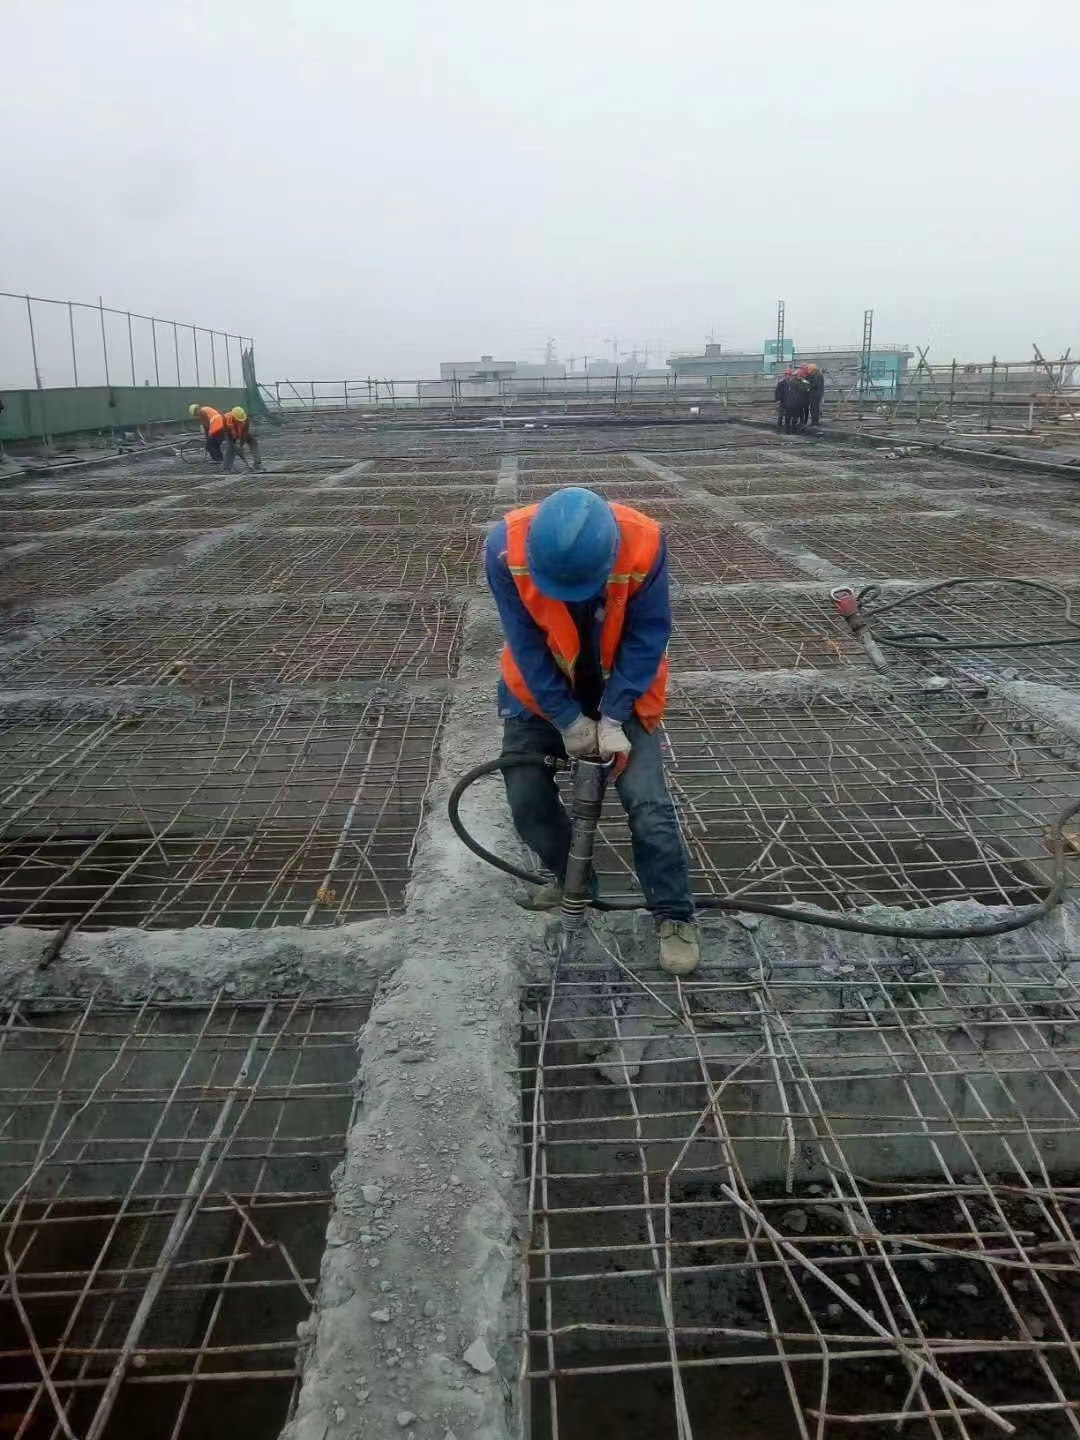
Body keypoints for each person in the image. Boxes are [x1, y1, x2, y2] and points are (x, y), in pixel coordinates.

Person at [484, 486, 699, 976]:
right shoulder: (504, 548)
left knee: (648, 804)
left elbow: (648, 634)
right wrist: (567, 719)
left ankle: (673, 914)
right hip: (540, 689)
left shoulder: (644, 542)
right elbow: (524, 642)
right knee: (525, 793)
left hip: (622, 682)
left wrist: (615, 716)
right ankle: (572, 879)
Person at [222, 406, 262, 471]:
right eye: (237, 419)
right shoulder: (226, 418)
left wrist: (241, 446)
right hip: (230, 435)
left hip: (241, 433)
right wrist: (234, 445)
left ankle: (257, 463)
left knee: (253, 441)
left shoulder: (246, 419)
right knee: (231, 448)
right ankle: (227, 468)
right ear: (233, 416)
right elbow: (226, 433)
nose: (239, 421)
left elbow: (244, 434)